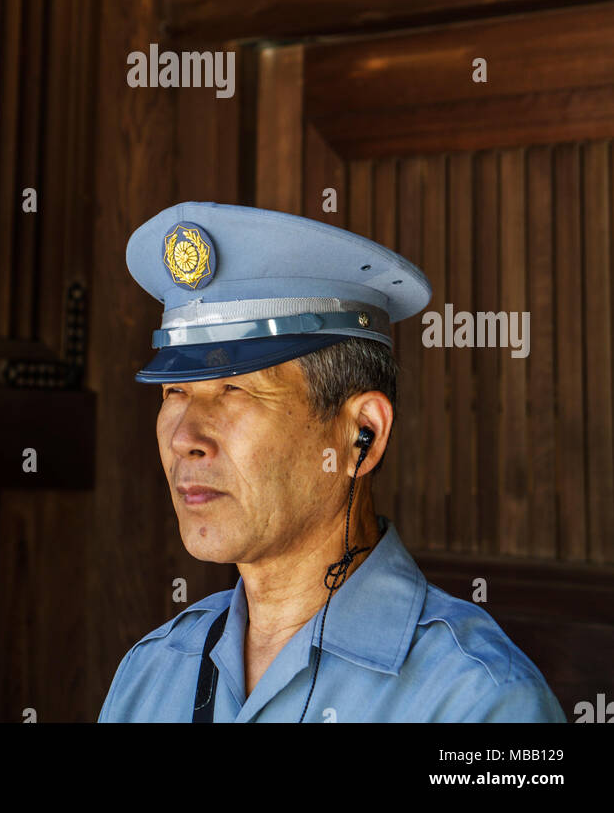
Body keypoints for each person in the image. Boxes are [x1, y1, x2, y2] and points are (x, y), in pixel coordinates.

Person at [98, 201, 566, 724]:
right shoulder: (152, 673)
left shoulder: (477, 701)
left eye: (235, 389)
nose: (185, 437)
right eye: (175, 392)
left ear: (360, 434)